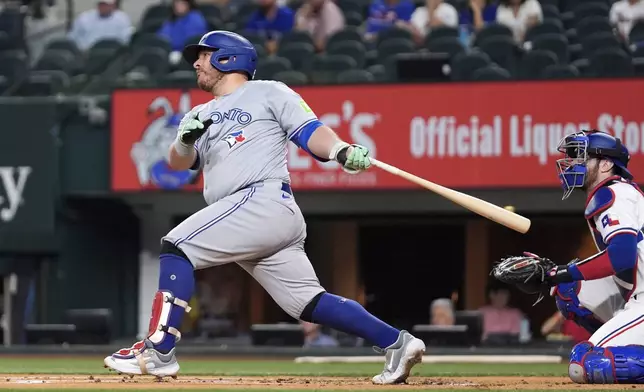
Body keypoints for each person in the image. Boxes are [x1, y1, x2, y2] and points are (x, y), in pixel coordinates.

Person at [102, 30, 426, 385]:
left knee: (176, 245)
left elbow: (310, 131)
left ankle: (158, 350)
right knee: (307, 303)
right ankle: (396, 342)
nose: (196, 63)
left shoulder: (267, 91)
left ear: (228, 57)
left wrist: (340, 151)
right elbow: (179, 164)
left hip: (261, 201)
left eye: (204, 55)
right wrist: (183, 140)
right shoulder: (200, 112)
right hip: (252, 215)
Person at [493, 130, 644, 384]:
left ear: (606, 164)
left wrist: (558, 272)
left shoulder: (614, 193)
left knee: (586, 364)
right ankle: (621, 340)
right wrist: (559, 275)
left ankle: (614, 345)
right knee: (568, 288)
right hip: (635, 295)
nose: (573, 164)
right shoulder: (617, 192)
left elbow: (622, 256)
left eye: (581, 157)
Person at [67, 0, 132, 51]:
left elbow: (126, 39)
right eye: (101, 4)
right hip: (87, 55)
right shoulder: (84, 18)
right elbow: (72, 38)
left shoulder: (122, 18)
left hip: (113, 55)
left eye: (106, 4)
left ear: (113, 5)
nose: (103, 7)